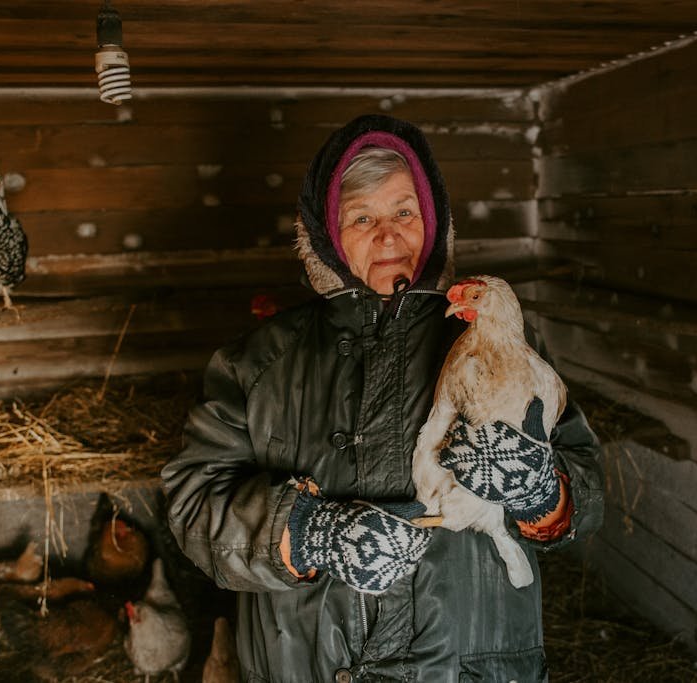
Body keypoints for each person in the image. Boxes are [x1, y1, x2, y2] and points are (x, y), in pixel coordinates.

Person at [162, 114, 604, 682]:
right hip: (305, 665)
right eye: (362, 218)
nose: (388, 235)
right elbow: (192, 504)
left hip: (469, 666)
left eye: (403, 212)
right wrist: (308, 534)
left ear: (434, 222)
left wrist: (544, 492)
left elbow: (588, 492)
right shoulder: (259, 361)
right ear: (327, 236)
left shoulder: (499, 348)